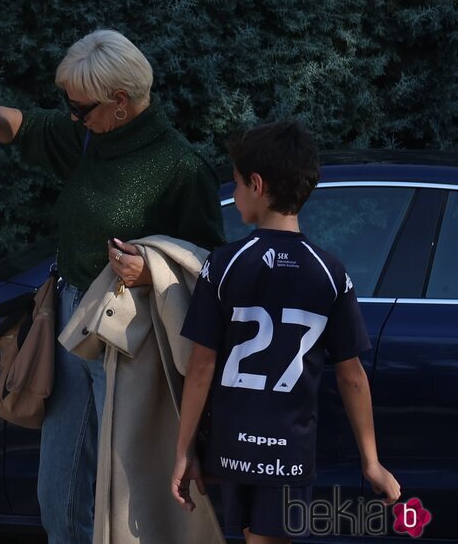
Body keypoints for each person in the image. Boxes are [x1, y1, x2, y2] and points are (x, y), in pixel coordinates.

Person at [0, 29, 223, 543]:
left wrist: (149, 268)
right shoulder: (89, 135)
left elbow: (205, 269)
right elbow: (31, 127)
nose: (70, 114)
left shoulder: (179, 169)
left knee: (123, 497)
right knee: (56, 490)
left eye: (80, 107)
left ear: (121, 104)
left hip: (129, 341)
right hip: (69, 322)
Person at [170, 121, 401, 544]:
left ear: (256, 184)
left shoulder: (223, 264)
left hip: (232, 448)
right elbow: (352, 375)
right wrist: (371, 461)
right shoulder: (330, 271)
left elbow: (200, 366)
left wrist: (184, 450)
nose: (235, 193)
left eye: (237, 183)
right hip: (288, 457)